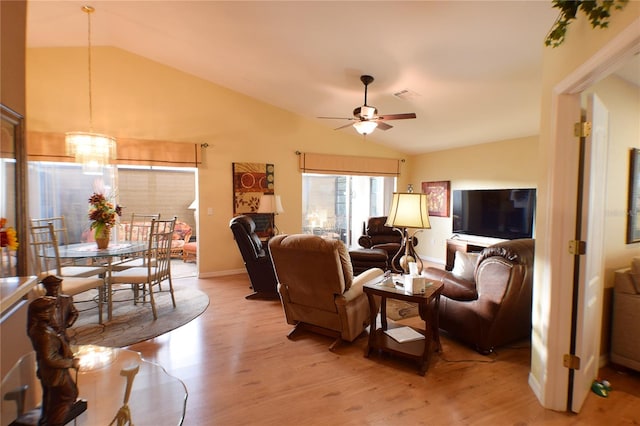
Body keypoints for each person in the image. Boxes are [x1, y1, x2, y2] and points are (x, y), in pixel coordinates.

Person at [27, 296, 81, 426]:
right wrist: (71, 363)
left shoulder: (40, 329)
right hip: (54, 372)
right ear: (44, 314)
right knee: (67, 397)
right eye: (52, 310)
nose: (54, 313)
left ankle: (48, 419)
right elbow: (50, 359)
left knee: (55, 398)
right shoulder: (44, 335)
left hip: (51, 372)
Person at [40, 275, 78, 343]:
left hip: (62, 334)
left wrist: (68, 323)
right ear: (45, 287)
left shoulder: (66, 300)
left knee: (65, 350)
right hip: (48, 336)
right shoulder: (40, 303)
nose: (53, 289)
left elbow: (74, 313)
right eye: (50, 286)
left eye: (55, 286)